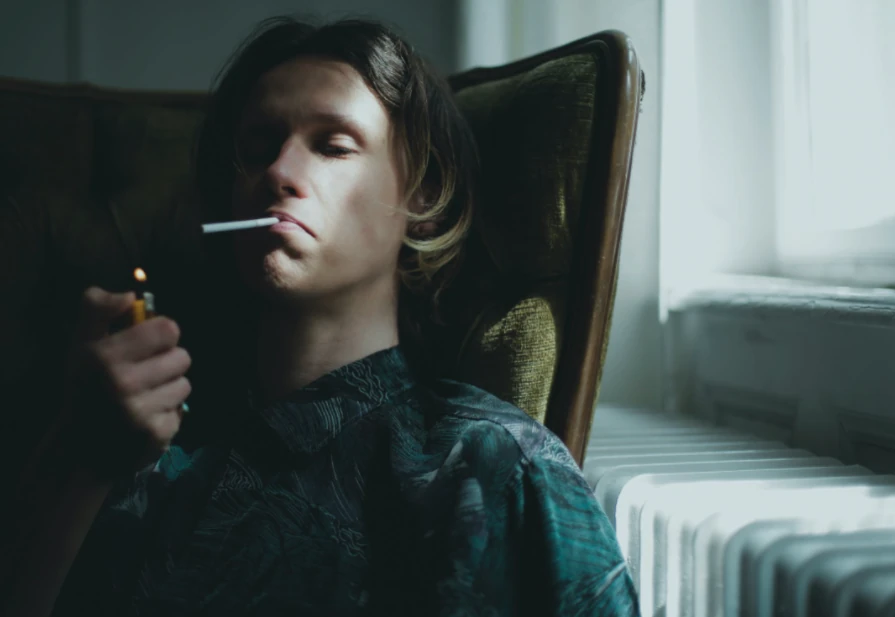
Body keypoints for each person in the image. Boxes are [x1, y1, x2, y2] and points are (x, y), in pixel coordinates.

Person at [1, 16, 641, 617]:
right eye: (256, 147)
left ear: (422, 197)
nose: (278, 172)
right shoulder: (139, 463)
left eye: (333, 146)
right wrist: (76, 456)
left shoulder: (493, 468)